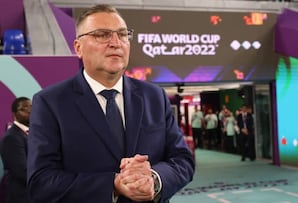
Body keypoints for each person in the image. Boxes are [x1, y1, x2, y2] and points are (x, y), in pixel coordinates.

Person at [27, 4, 195, 203]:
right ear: (78, 48)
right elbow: (41, 182)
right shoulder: (50, 102)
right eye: (102, 34)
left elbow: (183, 160)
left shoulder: (154, 96)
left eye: (123, 34)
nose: (116, 42)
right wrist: (113, 184)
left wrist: (154, 179)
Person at [0, 97, 31, 203]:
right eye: (24, 108)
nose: (29, 111)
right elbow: (22, 172)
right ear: (14, 114)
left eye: (31, 107)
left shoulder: (32, 134)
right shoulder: (12, 137)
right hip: (19, 197)